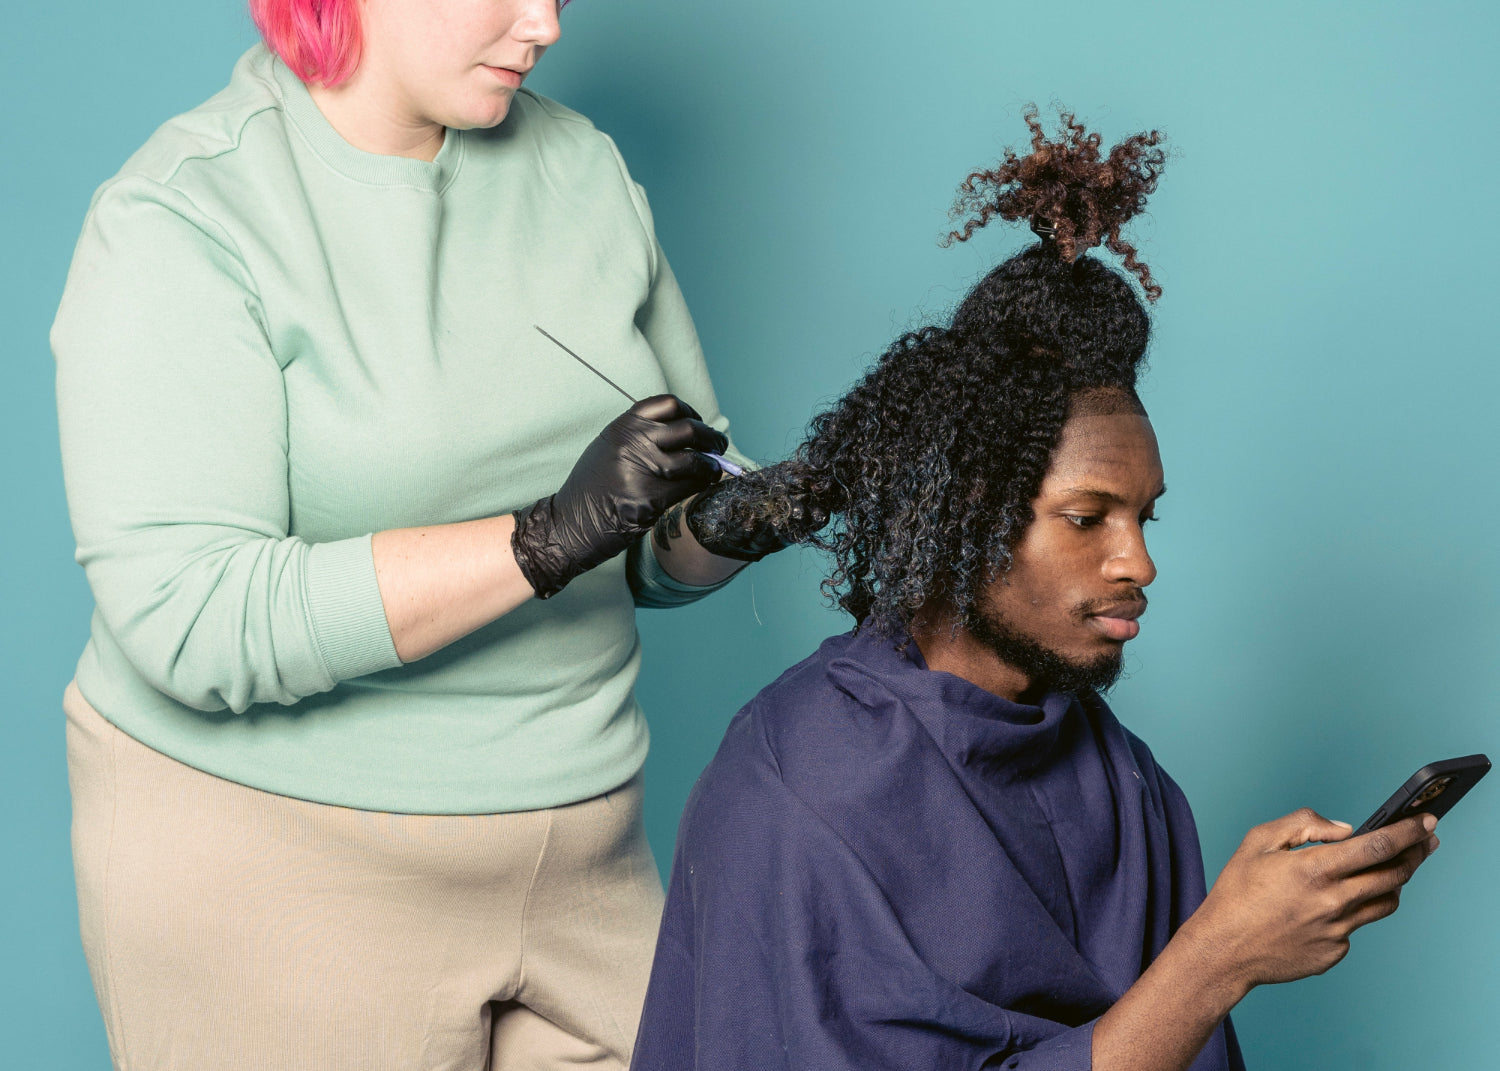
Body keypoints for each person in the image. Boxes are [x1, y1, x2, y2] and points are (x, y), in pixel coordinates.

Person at [51, 1, 794, 1068]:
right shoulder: (183, 215)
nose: (543, 23)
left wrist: (742, 518)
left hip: (584, 859)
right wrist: (541, 538)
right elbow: (191, 621)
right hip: (284, 868)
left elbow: (648, 539)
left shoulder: (579, 166)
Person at [633, 111, 1439, 1071]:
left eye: (1147, 517)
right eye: (1088, 517)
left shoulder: (1123, 779)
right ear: (968, 514)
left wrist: (1257, 922)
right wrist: (1218, 955)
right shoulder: (799, 786)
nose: (1138, 563)